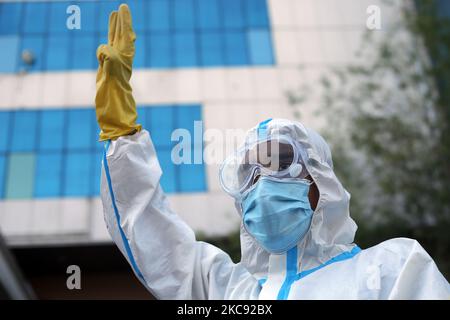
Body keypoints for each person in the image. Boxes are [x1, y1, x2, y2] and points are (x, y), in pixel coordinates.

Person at [95, 4, 450, 300]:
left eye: (280, 162)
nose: (263, 182)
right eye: (248, 173)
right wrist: (122, 137)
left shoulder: (390, 268)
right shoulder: (231, 292)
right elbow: (159, 243)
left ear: (320, 180)